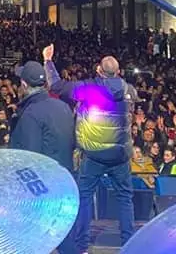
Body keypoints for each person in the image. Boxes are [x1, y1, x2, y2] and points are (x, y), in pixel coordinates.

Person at [43, 44, 137, 252]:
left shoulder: (90, 89)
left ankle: (82, 246)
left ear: (98, 70)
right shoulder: (129, 90)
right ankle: (129, 245)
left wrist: (48, 61)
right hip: (120, 156)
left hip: (94, 156)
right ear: (118, 72)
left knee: (84, 198)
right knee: (124, 199)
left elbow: (56, 86)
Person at [9, 60, 78, 254]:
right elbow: (72, 142)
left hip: (40, 187)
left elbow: (30, 156)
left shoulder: (30, 113)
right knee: (63, 235)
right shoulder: (63, 107)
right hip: (65, 178)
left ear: (23, 85)